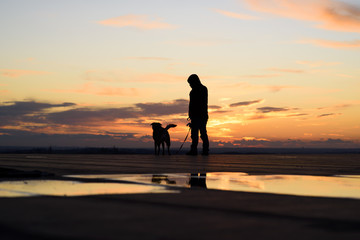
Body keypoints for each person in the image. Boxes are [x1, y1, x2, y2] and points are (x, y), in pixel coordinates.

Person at [186, 74, 209, 156]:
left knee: (201, 133)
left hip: (200, 115)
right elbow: (191, 105)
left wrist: (193, 114)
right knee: (195, 134)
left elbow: (200, 104)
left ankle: (203, 150)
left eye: (190, 83)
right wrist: (191, 115)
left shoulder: (201, 89)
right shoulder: (195, 91)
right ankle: (196, 150)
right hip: (197, 115)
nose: (190, 85)